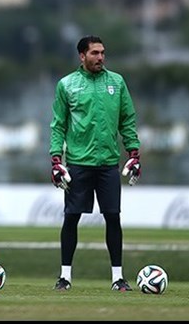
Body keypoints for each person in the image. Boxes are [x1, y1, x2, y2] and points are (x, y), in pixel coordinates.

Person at [48, 35, 142, 292]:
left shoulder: (117, 82)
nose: (100, 57)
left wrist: (133, 152)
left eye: (102, 53)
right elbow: (58, 125)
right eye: (95, 53)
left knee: (113, 217)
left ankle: (118, 278)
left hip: (108, 163)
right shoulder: (66, 85)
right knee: (71, 217)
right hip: (78, 163)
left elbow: (127, 120)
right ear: (82, 56)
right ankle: (65, 277)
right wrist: (56, 159)